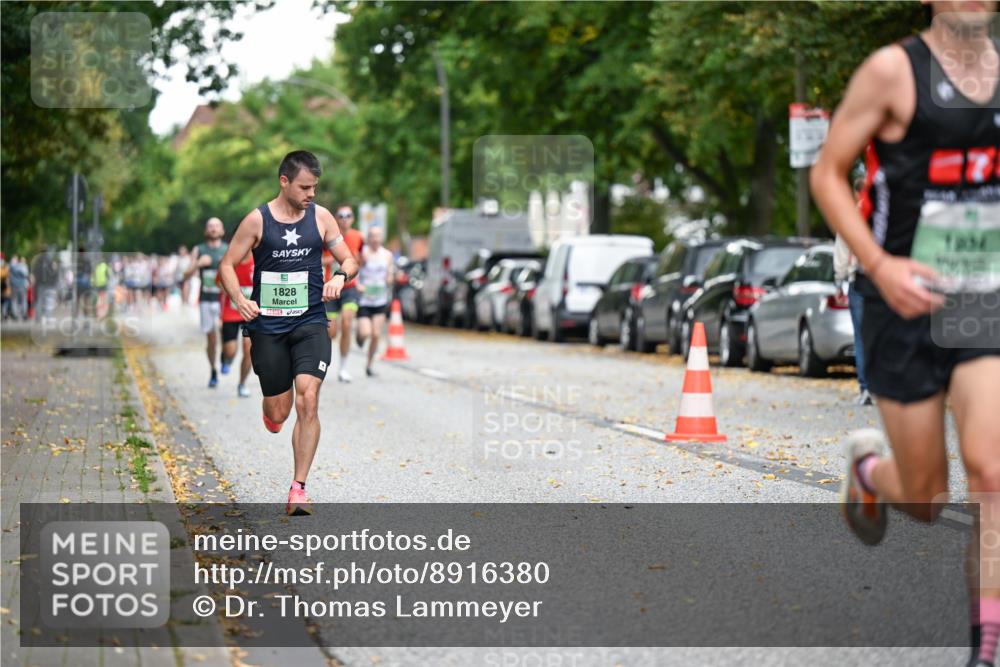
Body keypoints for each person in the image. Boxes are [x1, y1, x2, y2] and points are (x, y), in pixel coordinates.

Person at [811, 4, 1000, 666]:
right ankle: (869, 468)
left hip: (979, 296)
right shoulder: (892, 71)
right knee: (925, 497)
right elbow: (827, 171)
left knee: (993, 468)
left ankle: (988, 644)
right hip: (900, 299)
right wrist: (881, 263)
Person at [218, 150, 358, 516]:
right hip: (268, 326)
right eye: (304, 187)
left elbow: (349, 259)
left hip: (311, 320)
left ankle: (298, 489)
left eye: (315, 186)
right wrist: (239, 299)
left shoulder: (322, 217)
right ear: (284, 182)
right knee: (279, 413)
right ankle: (272, 414)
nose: (311, 193)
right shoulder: (257, 221)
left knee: (308, 399)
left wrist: (340, 276)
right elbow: (227, 265)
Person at [184, 218, 229, 388]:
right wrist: (198, 264)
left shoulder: (228, 249)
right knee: (211, 338)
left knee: (226, 333)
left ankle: (225, 356)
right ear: (206, 231)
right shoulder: (199, 250)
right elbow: (185, 275)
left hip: (224, 300)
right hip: (205, 300)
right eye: (210, 226)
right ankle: (213, 370)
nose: (213, 229)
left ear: (222, 230)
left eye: (217, 226)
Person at [324, 204, 364, 382]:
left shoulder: (358, 237)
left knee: (348, 323)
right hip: (331, 288)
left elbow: (361, 260)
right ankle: (321, 364)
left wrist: (361, 279)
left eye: (348, 215)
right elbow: (317, 258)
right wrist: (335, 257)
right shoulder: (328, 235)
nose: (345, 218)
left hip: (349, 288)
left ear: (353, 219)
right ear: (336, 218)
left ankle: (343, 368)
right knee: (331, 332)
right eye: (341, 215)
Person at [355, 226, 395, 377]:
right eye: (372, 236)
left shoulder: (387, 255)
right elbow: (355, 270)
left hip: (380, 299)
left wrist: (390, 278)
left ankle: (369, 365)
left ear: (382, 238)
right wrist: (358, 285)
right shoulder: (363, 253)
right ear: (368, 238)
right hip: (365, 300)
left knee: (376, 334)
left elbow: (390, 272)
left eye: (378, 236)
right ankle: (360, 338)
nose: (375, 239)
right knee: (366, 332)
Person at [218, 251, 255, 398]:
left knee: (249, 349)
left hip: (251, 312)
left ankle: (242, 384)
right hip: (232, 311)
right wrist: (235, 292)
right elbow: (219, 282)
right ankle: (225, 357)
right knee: (231, 350)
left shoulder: (258, 259)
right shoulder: (229, 260)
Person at [10, 255, 29, 321]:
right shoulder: (24, 267)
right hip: (22, 285)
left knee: (14, 301)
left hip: (14, 285)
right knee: (23, 300)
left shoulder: (12, 267)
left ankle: (15, 315)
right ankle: (24, 314)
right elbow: (26, 275)